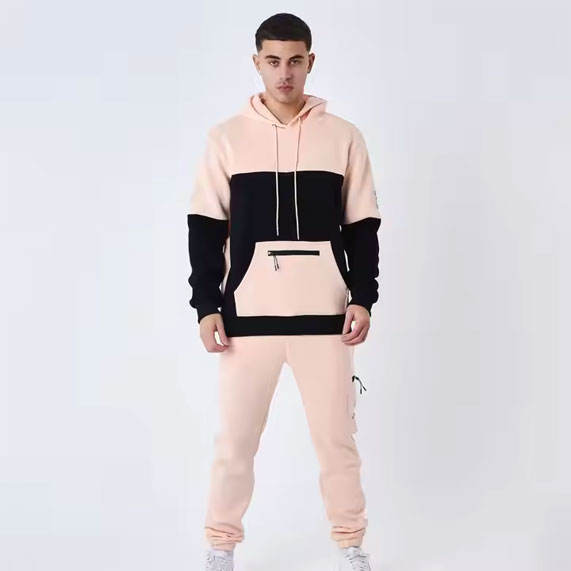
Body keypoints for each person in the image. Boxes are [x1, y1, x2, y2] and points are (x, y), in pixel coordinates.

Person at [187, 12, 381, 571]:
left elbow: (362, 227)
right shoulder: (226, 139)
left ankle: (351, 547)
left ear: (310, 61)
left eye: (295, 61)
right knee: (235, 445)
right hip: (247, 321)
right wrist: (206, 306)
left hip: (326, 320)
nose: (285, 73)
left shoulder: (343, 137)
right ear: (257, 63)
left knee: (338, 444)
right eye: (273, 61)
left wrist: (362, 296)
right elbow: (204, 229)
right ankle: (220, 548)